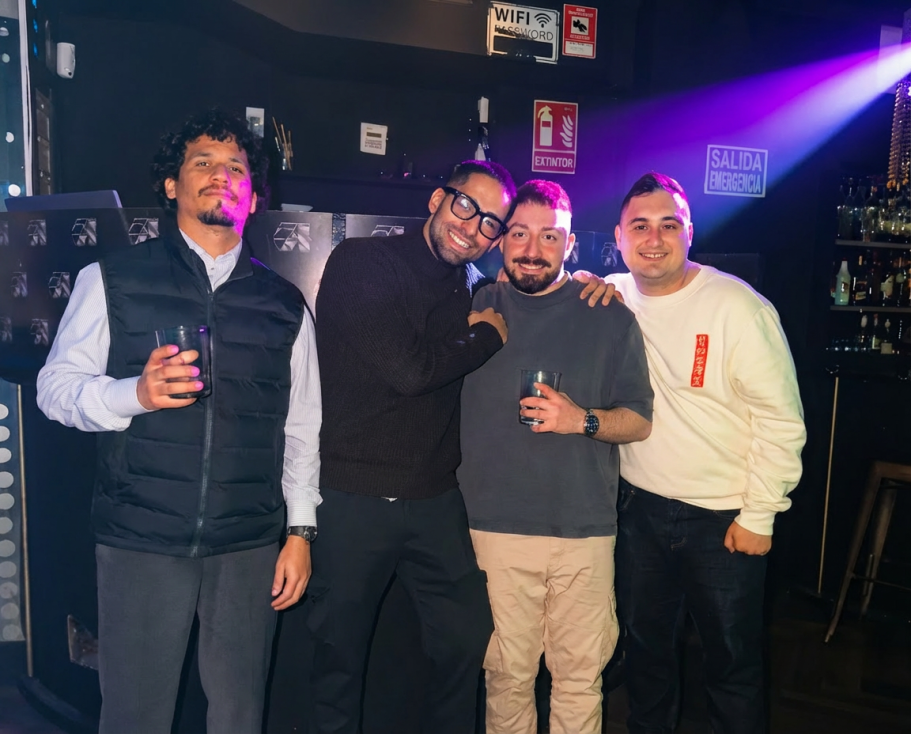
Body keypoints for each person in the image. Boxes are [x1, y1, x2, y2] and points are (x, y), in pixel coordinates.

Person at [36, 109, 321, 734]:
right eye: (203, 162)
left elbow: (302, 427)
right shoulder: (112, 279)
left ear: (254, 194)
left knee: (240, 716)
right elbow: (53, 390)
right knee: (135, 716)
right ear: (172, 184)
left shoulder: (284, 304)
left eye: (236, 167)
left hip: (248, 543)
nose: (222, 175)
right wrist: (133, 394)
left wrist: (300, 532)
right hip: (142, 536)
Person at [309, 160, 516, 734]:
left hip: (432, 497)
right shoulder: (362, 261)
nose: (472, 226)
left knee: (466, 637)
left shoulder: (471, 288)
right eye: (465, 205)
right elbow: (409, 371)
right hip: (352, 493)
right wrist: (483, 337)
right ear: (436, 200)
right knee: (338, 657)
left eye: (491, 223)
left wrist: (597, 283)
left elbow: (545, 287)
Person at [606, 172, 806, 734]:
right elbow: (566, 286)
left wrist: (761, 513)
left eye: (668, 225)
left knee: (732, 665)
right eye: (639, 226)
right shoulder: (611, 294)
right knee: (646, 658)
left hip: (724, 519)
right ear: (618, 238)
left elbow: (781, 419)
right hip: (640, 512)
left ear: (689, 232)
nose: (653, 239)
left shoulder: (738, 307)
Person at [458, 180, 654, 734]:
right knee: (506, 680)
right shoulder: (475, 304)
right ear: (500, 239)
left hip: (583, 533)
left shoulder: (608, 315)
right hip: (493, 530)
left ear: (571, 244)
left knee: (579, 682)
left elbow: (638, 420)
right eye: (519, 233)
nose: (531, 249)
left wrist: (580, 420)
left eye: (549, 237)